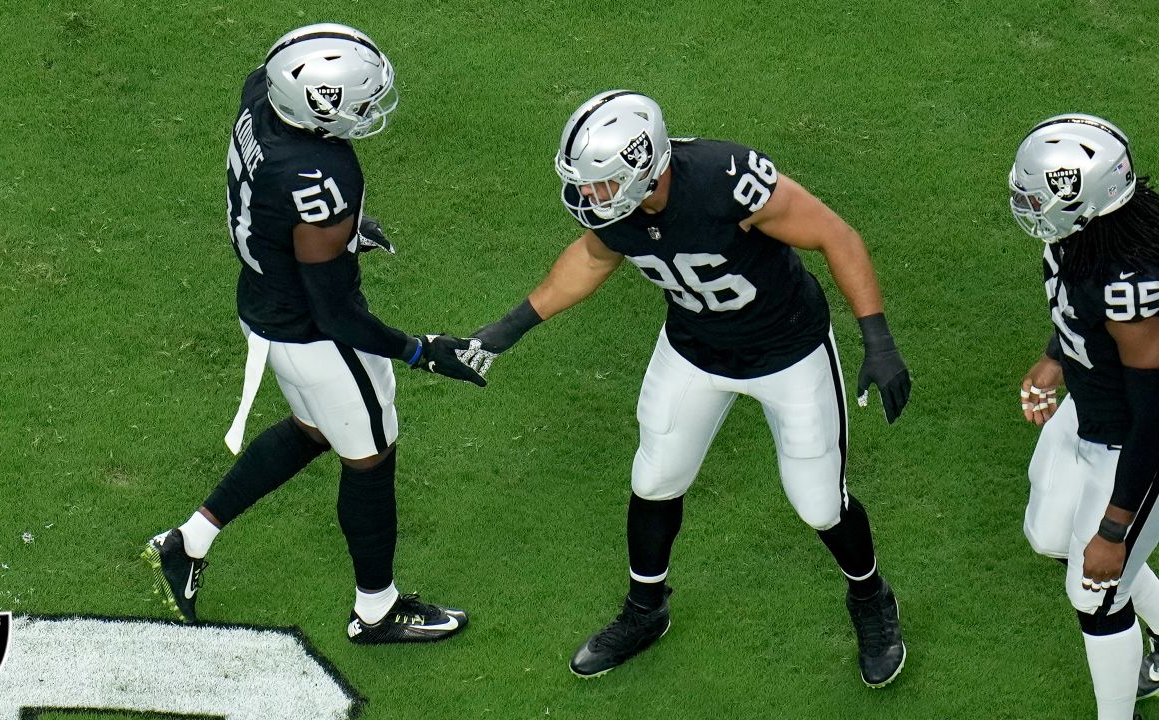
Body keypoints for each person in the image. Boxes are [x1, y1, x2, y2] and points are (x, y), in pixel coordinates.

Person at [456, 90, 910, 685]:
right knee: (654, 478)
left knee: (820, 502)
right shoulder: (618, 214)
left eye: (599, 184)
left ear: (644, 168)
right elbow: (593, 258)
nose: (587, 198)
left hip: (786, 351)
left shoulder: (726, 180)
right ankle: (646, 610)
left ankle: (871, 598)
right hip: (695, 349)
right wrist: (507, 328)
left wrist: (877, 339)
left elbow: (835, 234)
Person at [141, 23, 484, 644]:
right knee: (371, 459)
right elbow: (337, 313)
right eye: (359, 99)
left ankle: (187, 543)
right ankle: (377, 611)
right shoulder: (319, 176)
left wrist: (341, 233)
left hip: (266, 306)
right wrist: (418, 350)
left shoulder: (259, 96)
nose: (368, 110)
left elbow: (281, 208)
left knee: (313, 431)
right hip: (316, 338)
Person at [1011, 113, 1159, 718]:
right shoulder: (1091, 234)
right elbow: (1077, 305)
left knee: (1095, 592)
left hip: (1136, 443)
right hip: (1092, 410)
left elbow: (1155, 415)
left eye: (1037, 192)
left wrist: (1116, 528)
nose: (1025, 201)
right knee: (1048, 535)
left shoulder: (1133, 286)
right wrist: (1055, 359)